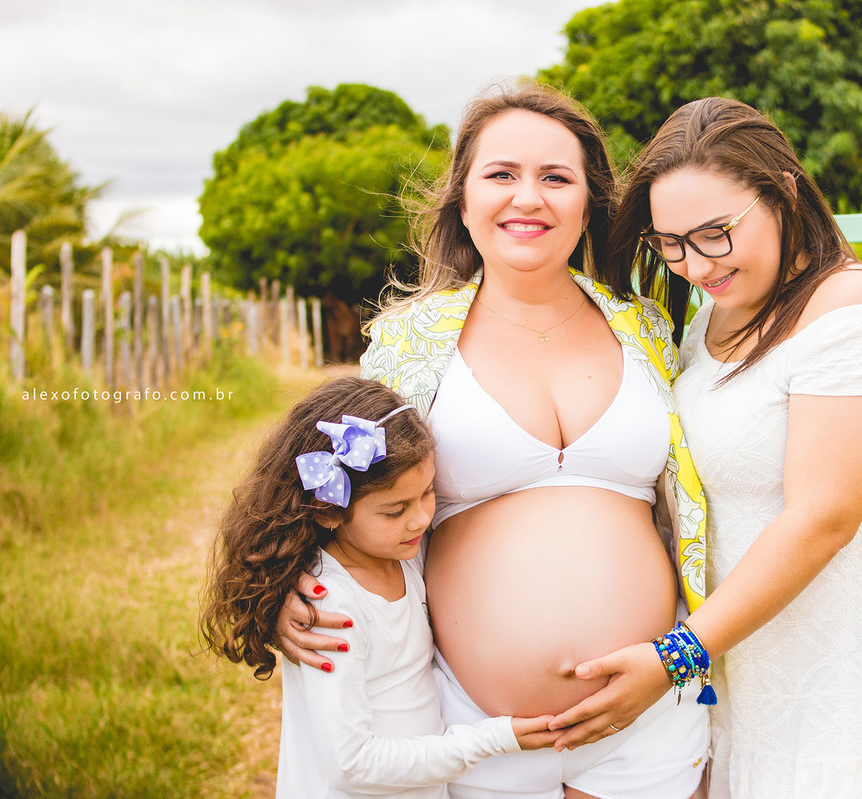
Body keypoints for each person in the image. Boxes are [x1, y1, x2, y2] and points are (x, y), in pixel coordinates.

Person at [274, 83, 711, 799]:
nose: (527, 197)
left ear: (589, 204)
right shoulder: (409, 341)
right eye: (502, 173)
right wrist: (287, 583)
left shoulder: (647, 331)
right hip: (471, 729)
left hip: (650, 717)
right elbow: (335, 488)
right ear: (463, 199)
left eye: (556, 177)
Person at [549, 97, 862, 798]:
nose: (694, 264)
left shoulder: (855, 315)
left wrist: (675, 657)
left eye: (714, 234)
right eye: (670, 243)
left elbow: (822, 519)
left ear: (784, 191)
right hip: (732, 681)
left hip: (835, 691)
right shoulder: (713, 318)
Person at [200, 376, 558, 798]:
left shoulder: (402, 556)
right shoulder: (330, 607)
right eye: (394, 511)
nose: (420, 519)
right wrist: (492, 740)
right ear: (327, 511)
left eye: (427, 493)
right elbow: (352, 765)